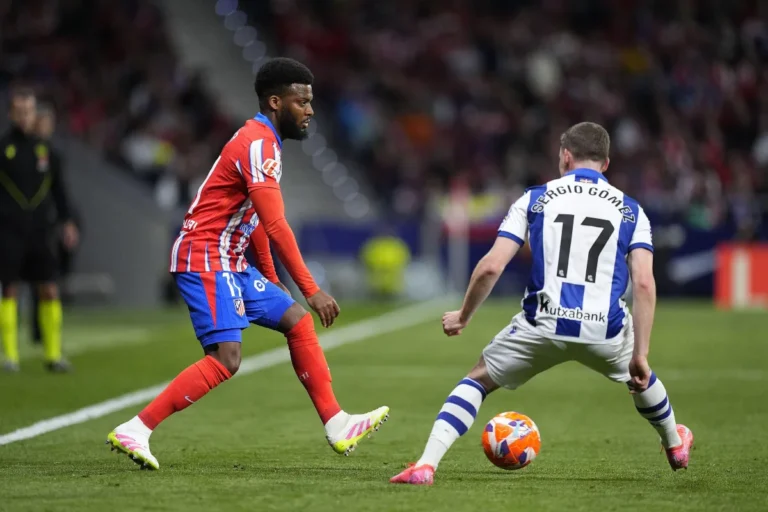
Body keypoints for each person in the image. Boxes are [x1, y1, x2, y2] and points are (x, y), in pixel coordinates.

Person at [107, 58, 389, 470]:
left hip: (230, 259)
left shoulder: (265, 142)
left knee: (297, 321)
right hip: (205, 255)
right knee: (227, 358)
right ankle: (137, 428)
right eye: (302, 102)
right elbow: (275, 224)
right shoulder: (258, 144)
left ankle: (337, 423)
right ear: (276, 102)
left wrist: (273, 280)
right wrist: (310, 289)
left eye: (310, 101)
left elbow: (253, 218)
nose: (310, 110)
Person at [391, 122, 694, 485]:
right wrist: (640, 353)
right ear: (606, 163)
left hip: (542, 323)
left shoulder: (535, 198)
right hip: (604, 329)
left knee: (478, 380)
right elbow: (644, 283)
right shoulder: (632, 211)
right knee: (641, 377)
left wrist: (463, 315)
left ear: (565, 156)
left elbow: (491, 266)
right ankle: (675, 445)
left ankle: (426, 465)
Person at [0, 88, 77, 373]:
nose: (24, 116)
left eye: (28, 111)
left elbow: (59, 191)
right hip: (8, 230)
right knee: (9, 289)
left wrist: (67, 221)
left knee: (49, 289)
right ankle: (10, 356)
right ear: (11, 114)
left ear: (34, 114)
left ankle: (53, 355)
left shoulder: (47, 152)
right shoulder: (3, 148)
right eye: (19, 111)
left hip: (40, 231)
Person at [28, 104, 80, 346]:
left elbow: (60, 191)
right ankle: (31, 330)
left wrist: (67, 221)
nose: (45, 128)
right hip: (19, 224)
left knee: (45, 279)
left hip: (44, 224)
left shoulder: (54, 156)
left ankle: (44, 333)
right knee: (20, 282)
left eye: (48, 123)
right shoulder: (18, 151)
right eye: (42, 122)